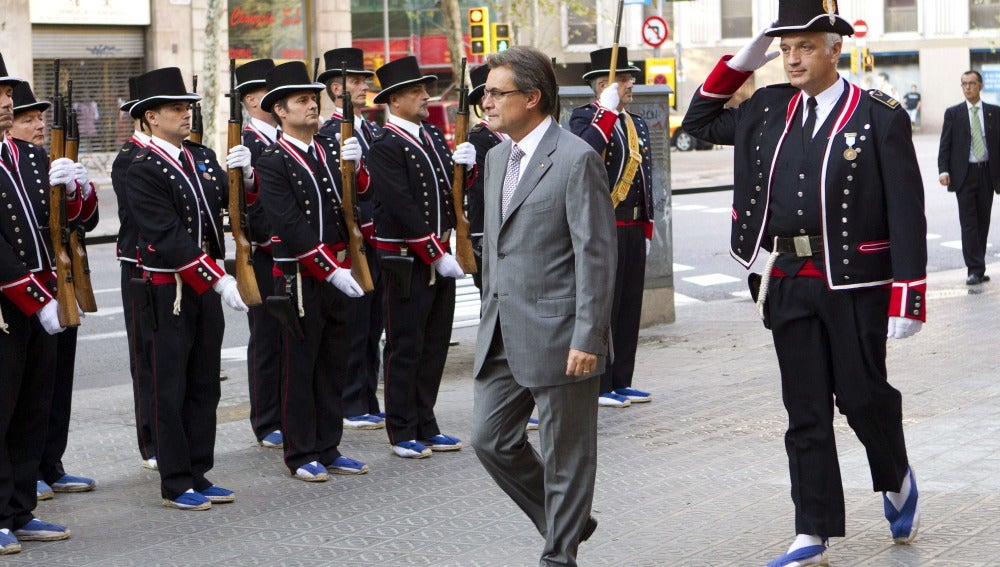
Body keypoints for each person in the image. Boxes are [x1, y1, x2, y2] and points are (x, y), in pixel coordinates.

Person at [682, 2, 926, 565]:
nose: (792, 58)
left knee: (863, 398)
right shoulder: (766, 107)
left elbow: (907, 209)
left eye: (805, 47)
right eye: (785, 47)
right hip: (786, 279)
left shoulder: (878, 115)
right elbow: (697, 122)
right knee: (806, 409)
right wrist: (746, 59)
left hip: (855, 282)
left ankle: (896, 477)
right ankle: (810, 530)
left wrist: (908, 293)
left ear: (834, 49)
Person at [470, 46, 616, 567]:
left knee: (566, 456)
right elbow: (497, 247)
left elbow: (596, 256)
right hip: (503, 331)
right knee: (489, 440)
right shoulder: (494, 157)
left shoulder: (575, 159)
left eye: (495, 92)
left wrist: (588, 336)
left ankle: (560, 554)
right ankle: (569, 520)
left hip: (561, 334)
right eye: (485, 92)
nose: (485, 101)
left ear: (532, 98)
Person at [126, 67, 248, 510]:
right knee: (169, 386)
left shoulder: (198, 157)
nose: (186, 114)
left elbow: (226, 210)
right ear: (151, 117)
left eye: (188, 107)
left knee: (204, 384)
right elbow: (166, 233)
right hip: (166, 290)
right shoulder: (140, 167)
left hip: (202, 284)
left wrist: (246, 179)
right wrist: (218, 277)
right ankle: (176, 480)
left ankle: (199, 470)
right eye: (176, 108)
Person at [253, 61, 370, 481]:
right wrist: (329, 269)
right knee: (299, 367)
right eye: (301, 100)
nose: (311, 106)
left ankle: (329, 445)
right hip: (303, 276)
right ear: (280, 111)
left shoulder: (326, 148)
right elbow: (288, 224)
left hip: (340, 270)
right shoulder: (272, 159)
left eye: (312, 99)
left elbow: (357, 201)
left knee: (334, 362)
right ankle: (301, 452)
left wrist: (358, 170)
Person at [367, 56, 475, 459]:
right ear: (395, 99)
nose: (425, 96)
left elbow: (451, 193)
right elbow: (400, 206)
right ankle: (401, 429)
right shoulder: (386, 144)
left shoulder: (429, 134)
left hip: (438, 256)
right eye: (416, 91)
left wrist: (468, 168)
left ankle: (426, 422)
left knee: (434, 345)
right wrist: (433, 252)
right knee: (405, 345)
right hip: (405, 261)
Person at [0, 52, 78, 554]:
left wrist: (76, 189)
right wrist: (33, 297)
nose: (7, 103)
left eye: (7, 94)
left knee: (33, 409)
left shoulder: (27, 154)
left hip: (42, 300)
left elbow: (65, 224)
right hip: (8, 307)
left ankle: (19, 509)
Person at [10, 81, 100, 501]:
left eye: (40, 117)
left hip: (56, 285)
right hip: (19, 294)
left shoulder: (36, 158)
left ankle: (46, 468)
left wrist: (78, 188)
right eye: (28, 118)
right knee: (17, 400)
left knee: (51, 388)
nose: (37, 124)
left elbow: (77, 222)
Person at [569, 46, 655, 409]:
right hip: (604, 225)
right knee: (605, 305)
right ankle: (601, 384)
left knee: (629, 305)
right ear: (603, 85)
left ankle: (622, 380)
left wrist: (647, 225)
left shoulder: (636, 123)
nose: (631, 83)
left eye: (630, 78)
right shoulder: (583, 119)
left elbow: (647, 178)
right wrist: (605, 112)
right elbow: (585, 152)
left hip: (632, 225)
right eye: (623, 79)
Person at [317, 48, 386, 431]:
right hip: (352, 240)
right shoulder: (329, 134)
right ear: (337, 87)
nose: (365, 87)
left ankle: (366, 396)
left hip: (375, 240)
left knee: (372, 323)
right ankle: (351, 400)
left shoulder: (370, 130)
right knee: (354, 325)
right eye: (358, 82)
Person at [232, 58, 285, 449]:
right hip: (265, 254)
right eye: (270, 92)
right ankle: (267, 421)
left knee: (289, 338)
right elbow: (250, 208)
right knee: (266, 339)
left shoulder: (284, 139)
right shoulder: (247, 145)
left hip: (291, 253)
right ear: (252, 99)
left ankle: (286, 411)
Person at [111, 78, 159, 472]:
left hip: (169, 266)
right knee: (146, 357)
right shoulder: (130, 159)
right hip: (140, 266)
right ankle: (152, 440)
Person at [938, 70, 1000, 286]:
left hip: (987, 174)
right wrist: (943, 170)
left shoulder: (994, 112)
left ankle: (979, 265)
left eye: (972, 84)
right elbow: (945, 144)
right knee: (969, 224)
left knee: (983, 222)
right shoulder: (953, 113)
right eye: (964, 84)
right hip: (964, 174)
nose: (967, 88)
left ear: (980, 86)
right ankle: (973, 269)